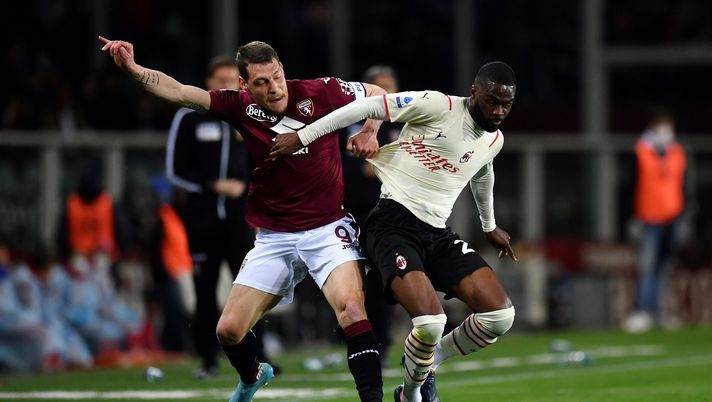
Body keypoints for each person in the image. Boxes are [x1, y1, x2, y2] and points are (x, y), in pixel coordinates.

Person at [99, 37, 385, 401]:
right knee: (229, 331)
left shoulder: (321, 91)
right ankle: (252, 376)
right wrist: (135, 70)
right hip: (273, 237)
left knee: (352, 307)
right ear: (243, 85)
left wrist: (368, 130)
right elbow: (180, 92)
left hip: (327, 229)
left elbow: (376, 93)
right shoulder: (239, 107)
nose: (274, 88)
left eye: (277, 77)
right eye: (262, 82)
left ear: (283, 69)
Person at [272, 61, 519, 402]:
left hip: (437, 234)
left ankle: (426, 364)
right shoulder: (439, 105)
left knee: (500, 316)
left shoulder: (495, 139)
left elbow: (482, 173)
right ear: (474, 91)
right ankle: (414, 394)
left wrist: (489, 226)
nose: (498, 110)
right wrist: (303, 135)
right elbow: (367, 105)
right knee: (431, 323)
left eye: (506, 104)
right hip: (391, 225)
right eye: (492, 101)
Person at [165, 55, 268, 379]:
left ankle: (259, 357)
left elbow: (264, 162)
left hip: (240, 220)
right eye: (221, 80)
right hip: (201, 221)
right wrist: (211, 186)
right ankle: (208, 361)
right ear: (208, 83)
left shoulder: (248, 117)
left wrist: (247, 189)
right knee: (205, 291)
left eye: (232, 81)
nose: (227, 87)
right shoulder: (189, 118)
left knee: (254, 287)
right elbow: (175, 170)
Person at [341, 65, 401, 367]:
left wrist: (376, 165)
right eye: (378, 87)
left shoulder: (403, 124)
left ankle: (382, 344)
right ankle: (354, 343)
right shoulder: (351, 123)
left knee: (382, 283)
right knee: (349, 283)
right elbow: (344, 167)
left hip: (389, 216)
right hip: (353, 215)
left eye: (388, 87)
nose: (385, 93)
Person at [624, 110, 686, 333]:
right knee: (646, 266)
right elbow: (630, 187)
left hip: (672, 218)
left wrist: (684, 215)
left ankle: (661, 311)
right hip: (648, 217)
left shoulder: (676, 152)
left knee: (665, 267)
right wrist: (632, 218)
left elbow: (682, 185)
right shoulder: (640, 151)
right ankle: (642, 311)